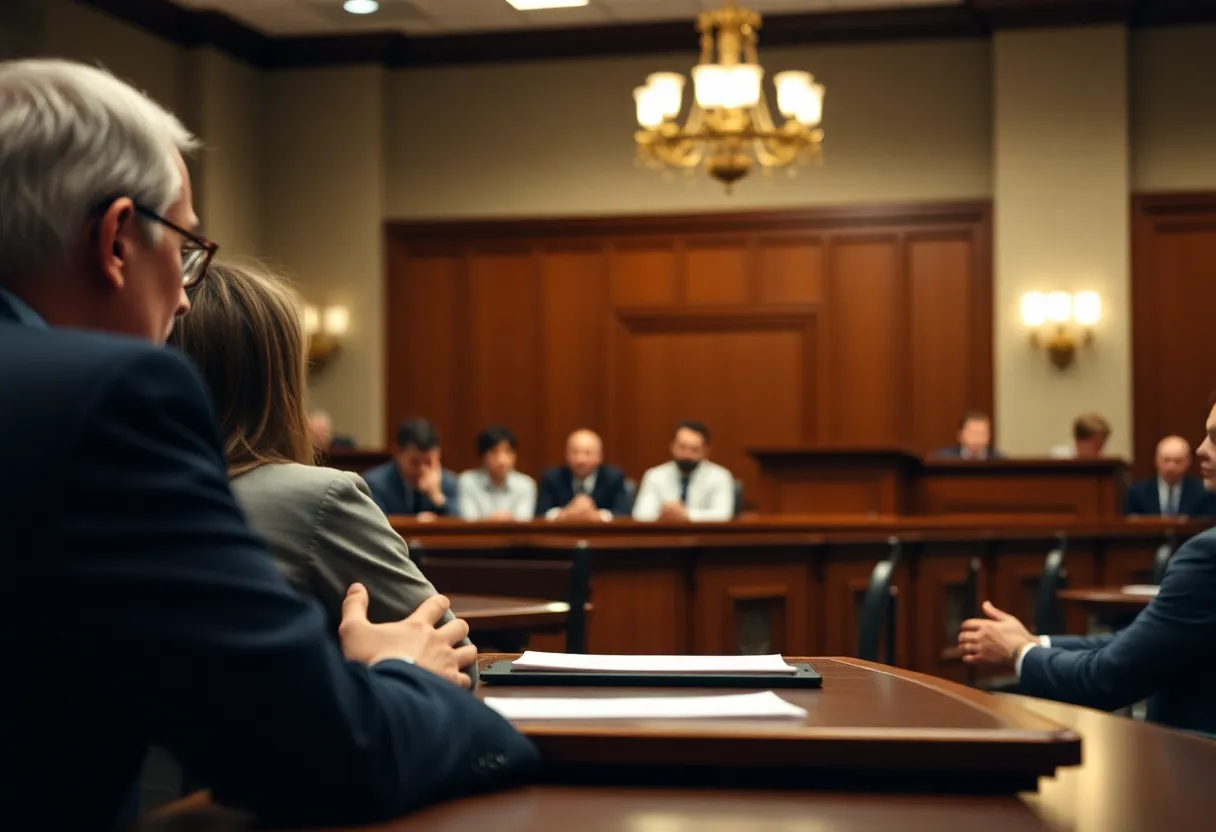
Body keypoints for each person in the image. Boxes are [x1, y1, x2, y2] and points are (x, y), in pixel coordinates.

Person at [0, 59, 535, 831]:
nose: (186, 299)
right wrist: (401, 674)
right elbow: (316, 751)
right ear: (115, 239)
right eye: (185, 248)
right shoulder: (106, 398)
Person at [167, 261, 476, 682]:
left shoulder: (119, 498)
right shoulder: (317, 499)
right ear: (280, 385)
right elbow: (453, 658)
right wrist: (389, 665)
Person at [957, 403, 1216, 734]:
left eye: (1214, 437)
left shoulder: (1207, 554)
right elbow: (1135, 643)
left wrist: (1019, 652)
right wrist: (1037, 642)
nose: (1201, 449)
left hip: (1191, 760)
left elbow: (1105, 679)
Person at [633, 421, 735, 522]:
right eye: (682, 447)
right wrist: (662, 514)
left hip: (704, 532)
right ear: (672, 446)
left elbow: (723, 515)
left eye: (694, 449)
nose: (687, 455)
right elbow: (640, 515)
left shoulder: (720, 477)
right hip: (663, 531)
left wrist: (685, 515)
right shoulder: (654, 476)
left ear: (706, 451)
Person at [364, 418, 460, 520]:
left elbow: (461, 523)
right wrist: (415, 523)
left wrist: (437, 497)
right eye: (415, 462)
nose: (422, 469)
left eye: (429, 462)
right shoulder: (375, 485)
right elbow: (374, 524)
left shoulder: (448, 483)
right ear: (397, 453)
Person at [536, 428, 632, 521]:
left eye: (587, 453)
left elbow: (624, 514)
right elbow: (540, 514)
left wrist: (596, 515)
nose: (580, 460)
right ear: (566, 454)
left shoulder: (613, 478)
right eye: (575, 452)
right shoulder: (552, 478)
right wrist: (566, 513)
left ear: (600, 456)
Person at [458, 425, 537, 521]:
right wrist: (493, 521)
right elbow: (468, 521)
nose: (501, 460)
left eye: (508, 452)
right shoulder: (468, 481)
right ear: (482, 456)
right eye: (494, 452)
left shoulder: (525, 484)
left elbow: (524, 522)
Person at [1123, 435, 1216, 517]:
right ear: (1156, 460)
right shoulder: (1137, 492)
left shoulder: (1203, 491)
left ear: (1188, 462)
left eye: (1177, 461)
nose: (1171, 467)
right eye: (1166, 460)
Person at [932, 411, 1003, 460]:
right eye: (973, 433)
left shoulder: (1000, 461)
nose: (977, 439)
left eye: (982, 433)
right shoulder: (942, 459)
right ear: (960, 435)